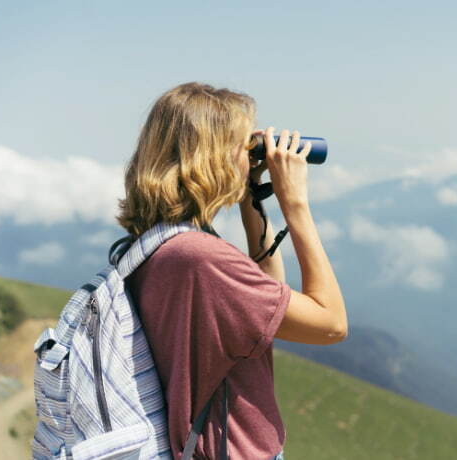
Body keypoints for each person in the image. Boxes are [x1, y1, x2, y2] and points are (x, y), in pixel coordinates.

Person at [118, 82, 348, 460]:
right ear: (212, 156)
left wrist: (251, 196)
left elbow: (268, 296)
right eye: (245, 147)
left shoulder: (161, 245)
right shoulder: (202, 259)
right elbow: (331, 324)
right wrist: (297, 206)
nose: (252, 157)